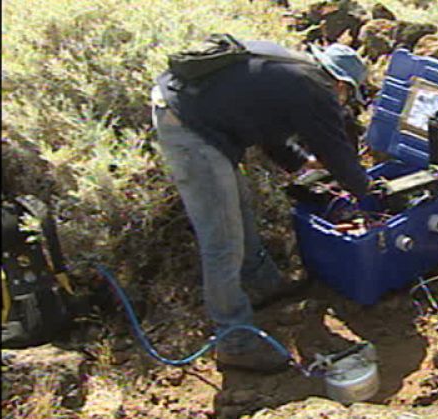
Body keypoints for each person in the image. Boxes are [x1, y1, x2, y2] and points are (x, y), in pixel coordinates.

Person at [151, 40, 372, 373]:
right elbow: (337, 154)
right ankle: (234, 342)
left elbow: (265, 124)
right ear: (341, 84)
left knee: (236, 206)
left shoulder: (290, 70)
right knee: (222, 240)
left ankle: (262, 284)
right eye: (346, 96)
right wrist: (369, 194)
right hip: (187, 127)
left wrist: (299, 163)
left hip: (186, 108)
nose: (342, 102)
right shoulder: (316, 87)